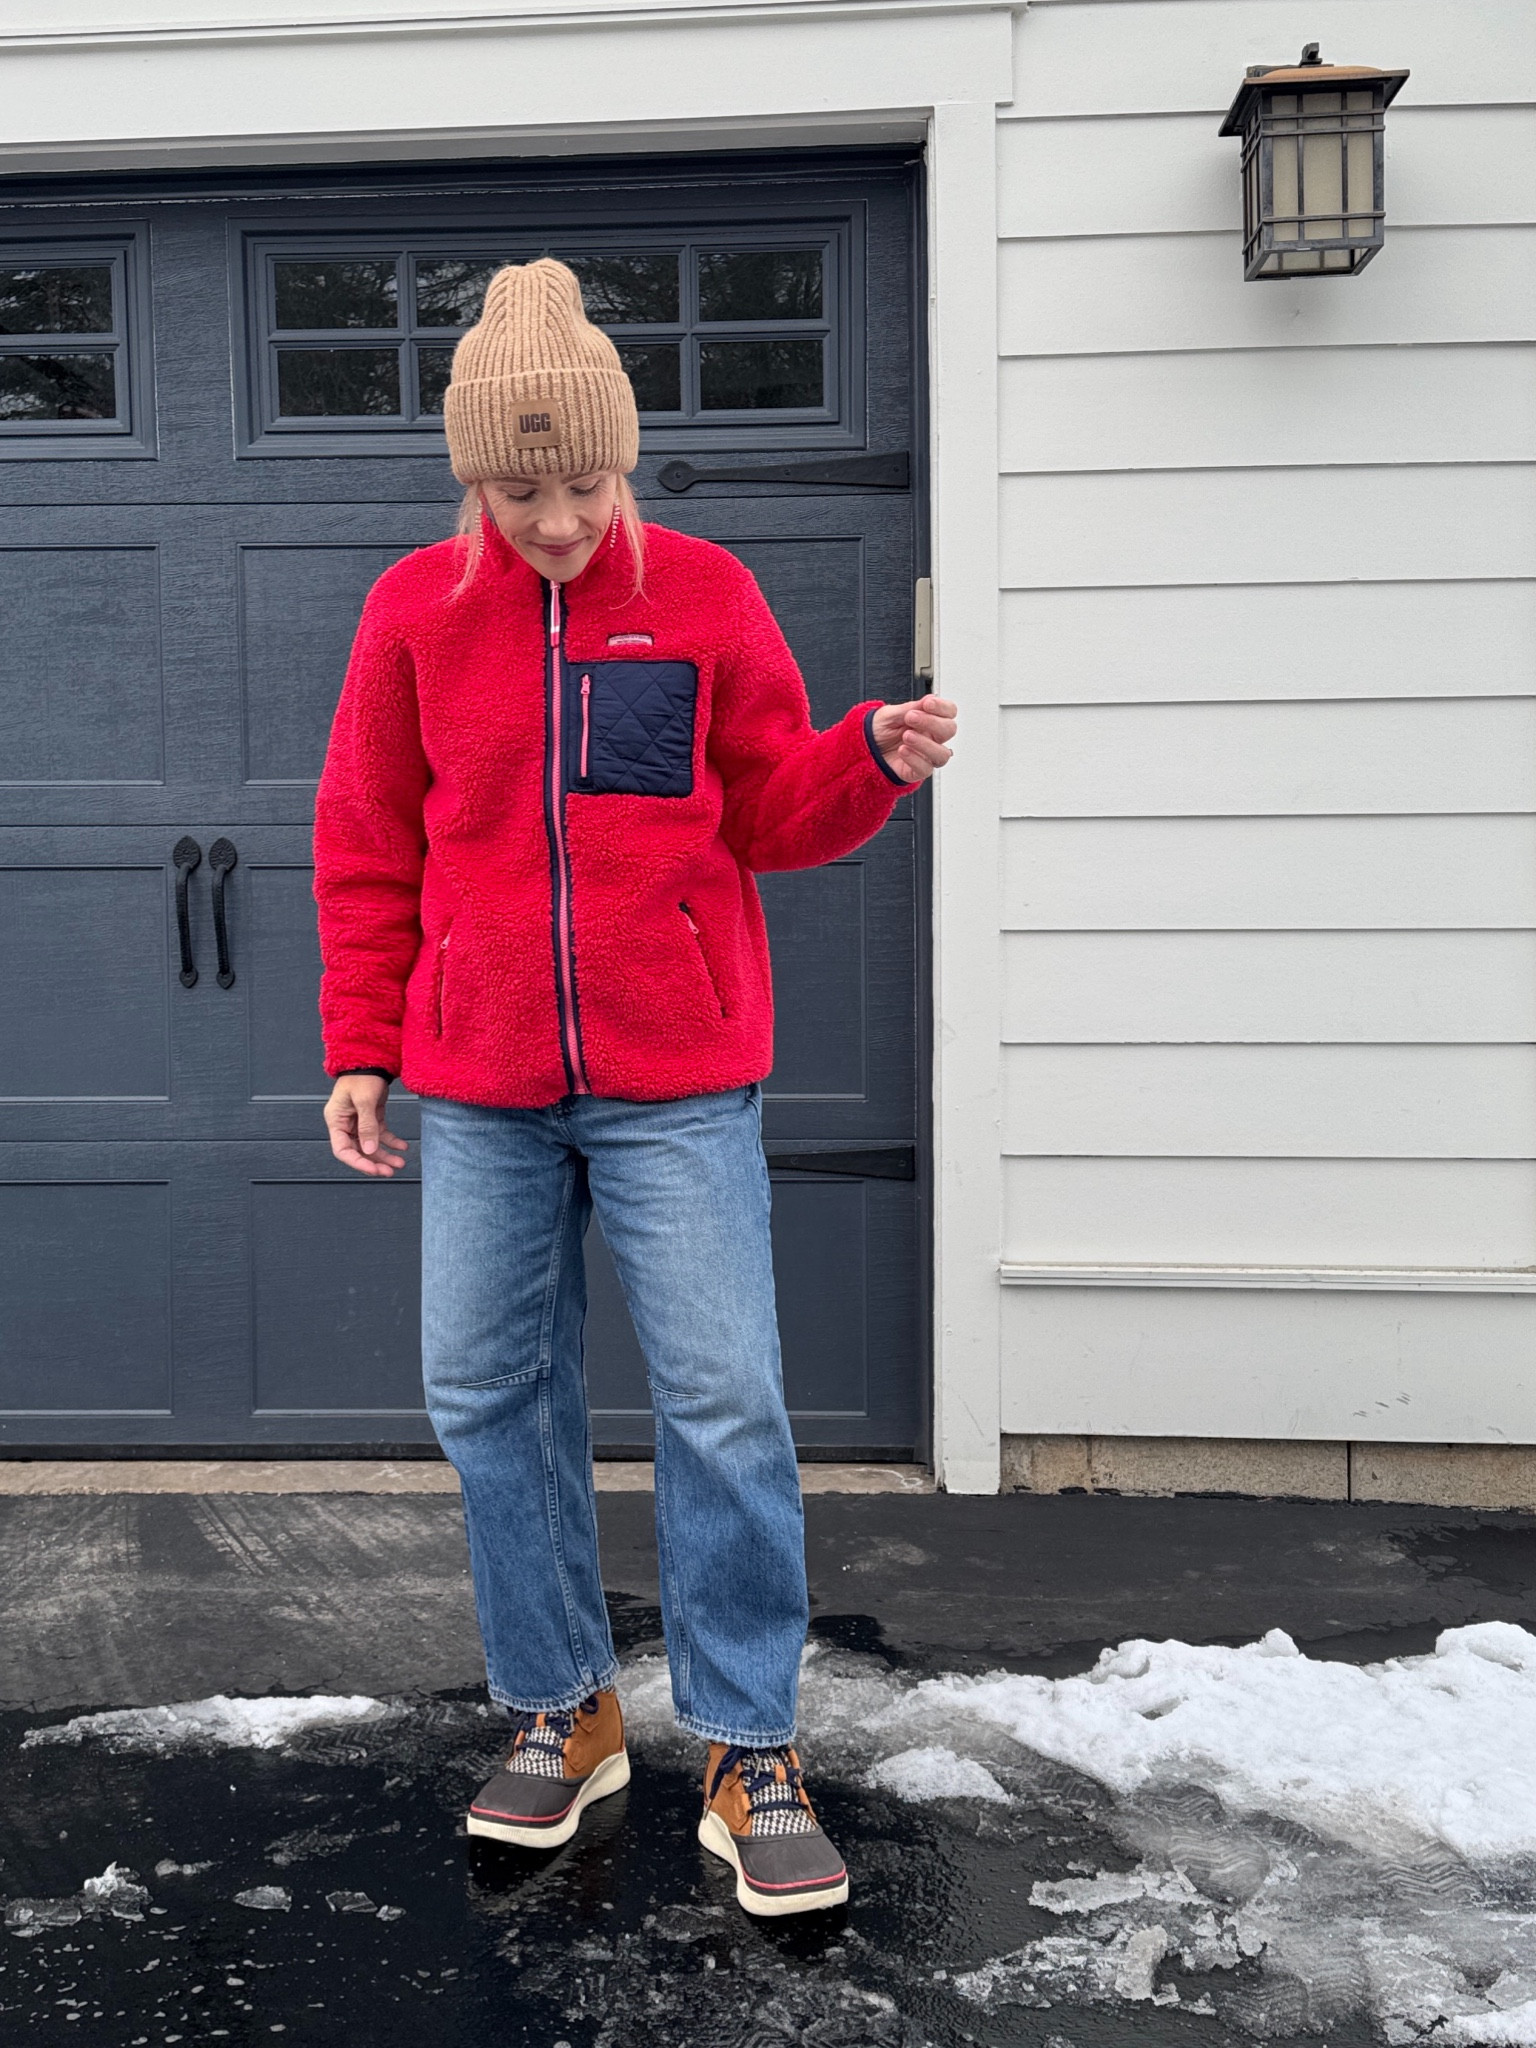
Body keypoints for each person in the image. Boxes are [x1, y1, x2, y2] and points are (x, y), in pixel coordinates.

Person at [313, 258, 957, 1918]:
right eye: (518, 490)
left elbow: (769, 813)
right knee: (486, 1394)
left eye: (583, 485)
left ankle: (748, 1746)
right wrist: (361, 1045)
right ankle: (563, 1710)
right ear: (472, 478)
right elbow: (369, 847)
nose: (554, 521)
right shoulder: (411, 616)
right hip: (478, 1079)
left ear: (629, 462)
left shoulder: (713, 597)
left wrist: (867, 758)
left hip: (677, 1078)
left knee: (725, 1399)